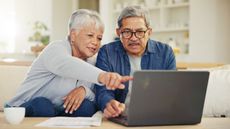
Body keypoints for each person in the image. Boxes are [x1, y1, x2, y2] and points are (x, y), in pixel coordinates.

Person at [6, 9, 132, 117]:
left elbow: (96, 95)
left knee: (87, 106)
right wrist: (103, 76)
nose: (95, 42)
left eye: (99, 38)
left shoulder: (93, 61)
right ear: (73, 35)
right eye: (90, 35)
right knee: (43, 105)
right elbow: (66, 65)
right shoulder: (56, 49)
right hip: (22, 109)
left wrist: (84, 90)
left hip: (60, 111)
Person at [95, 6, 176, 118]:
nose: (133, 38)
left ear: (149, 32)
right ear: (118, 33)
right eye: (127, 32)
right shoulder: (107, 52)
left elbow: (171, 90)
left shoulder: (165, 53)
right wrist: (109, 103)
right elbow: (102, 89)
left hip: (156, 114)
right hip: (120, 115)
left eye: (140, 32)